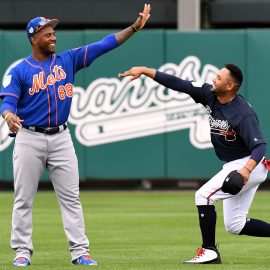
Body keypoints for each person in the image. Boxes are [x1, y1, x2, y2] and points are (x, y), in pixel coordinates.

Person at [0, 4, 151, 267]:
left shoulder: (67, 59)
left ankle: (80, 252)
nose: (53, 37)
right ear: (34, 38)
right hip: (29, 138)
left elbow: (104, 45)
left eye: (53, 32)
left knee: (71, 197)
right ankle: (22, 252)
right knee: (23, 199)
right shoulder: (20, 70)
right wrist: (8, 116)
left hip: (61, 138)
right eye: (47, 33)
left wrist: (134, 28)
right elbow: (7, 102)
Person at [118, 64, 270, 264]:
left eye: (219, 77)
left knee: (203, 195)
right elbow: (179, 84)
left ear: (231, 85)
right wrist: (146, 71)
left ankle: (209, 251)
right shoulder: (210, 94)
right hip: (236, 164)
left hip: (249, 164)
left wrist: (245, 170)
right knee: (235, 225)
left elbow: (260, 147)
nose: (214, 79)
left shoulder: (243, 113)